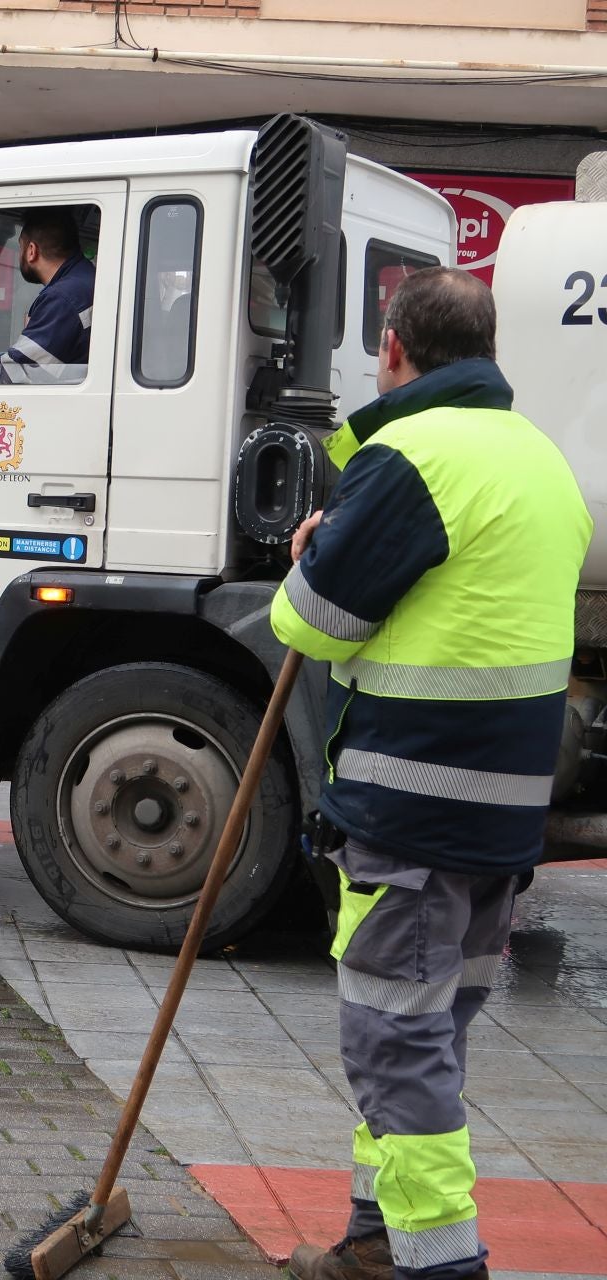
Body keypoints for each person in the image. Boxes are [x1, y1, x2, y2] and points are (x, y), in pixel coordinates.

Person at [271, 267, 590, 1280]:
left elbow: (315, 622)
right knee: (424, 1033)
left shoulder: (413, 455)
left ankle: (439, 1263)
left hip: (412, 807)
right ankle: (375, 1238)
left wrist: (308, 557)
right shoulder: (540, 457)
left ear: (397, 348)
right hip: (502, 825)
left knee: (394, 1048)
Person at [0, 207, 96, 385]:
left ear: (31, 251)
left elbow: (13, 375)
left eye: (20, 247)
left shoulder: (64, 298)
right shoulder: (84, 281)